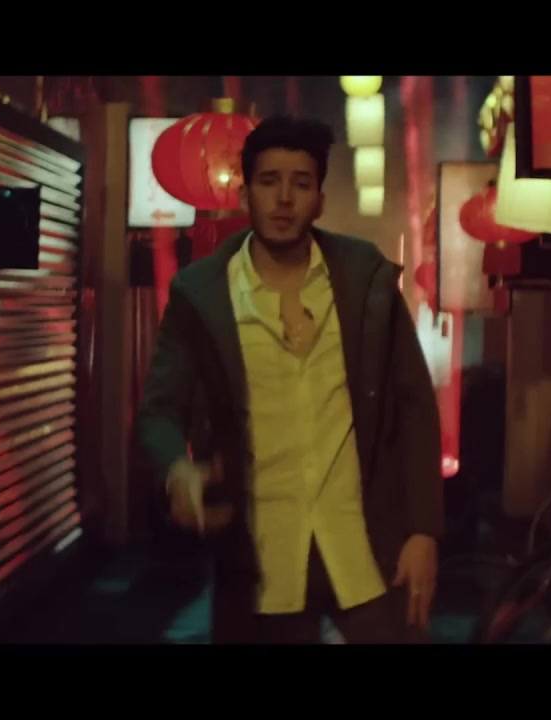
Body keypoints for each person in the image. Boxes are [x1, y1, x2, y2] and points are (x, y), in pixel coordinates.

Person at [135, 114, 443, 644]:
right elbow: (159, 410)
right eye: (268, 181)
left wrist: (424, 531)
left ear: (319, 200)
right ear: (245, 194)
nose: (283, 199)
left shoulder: (364, 278)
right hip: (260, 553)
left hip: (366, 541)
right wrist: (176, 469)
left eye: (300, 184)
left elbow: (414, 406)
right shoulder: (201, 293)